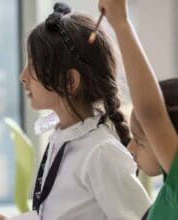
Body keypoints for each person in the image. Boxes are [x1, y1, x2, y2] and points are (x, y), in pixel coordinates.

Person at [0, 2, 150, 220]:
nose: (22, 76)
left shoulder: (101, 152)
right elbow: (54, 213)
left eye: (33, 67)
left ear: (70, 81)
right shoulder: (63, 137)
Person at [99, 0, 178, 219]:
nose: (131, 148)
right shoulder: (168, 191)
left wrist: (121, 23)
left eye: (141, 141)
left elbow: (150, 113)